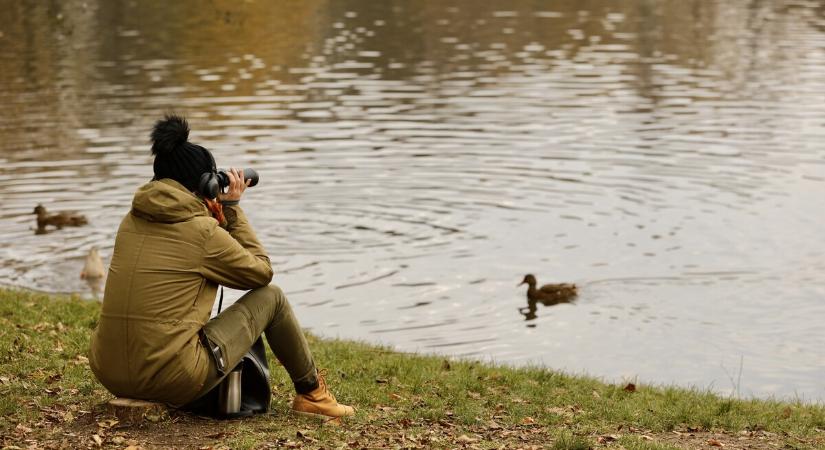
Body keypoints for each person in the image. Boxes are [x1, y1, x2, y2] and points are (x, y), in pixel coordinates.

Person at [88, 114, 353, 419]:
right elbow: (261, 272)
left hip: (108, 371)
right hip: (171, 376)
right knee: (273, 298)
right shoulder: (202, 232)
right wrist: (231, 210)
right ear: (207, 184)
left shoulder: (130, 221)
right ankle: (313, 395)